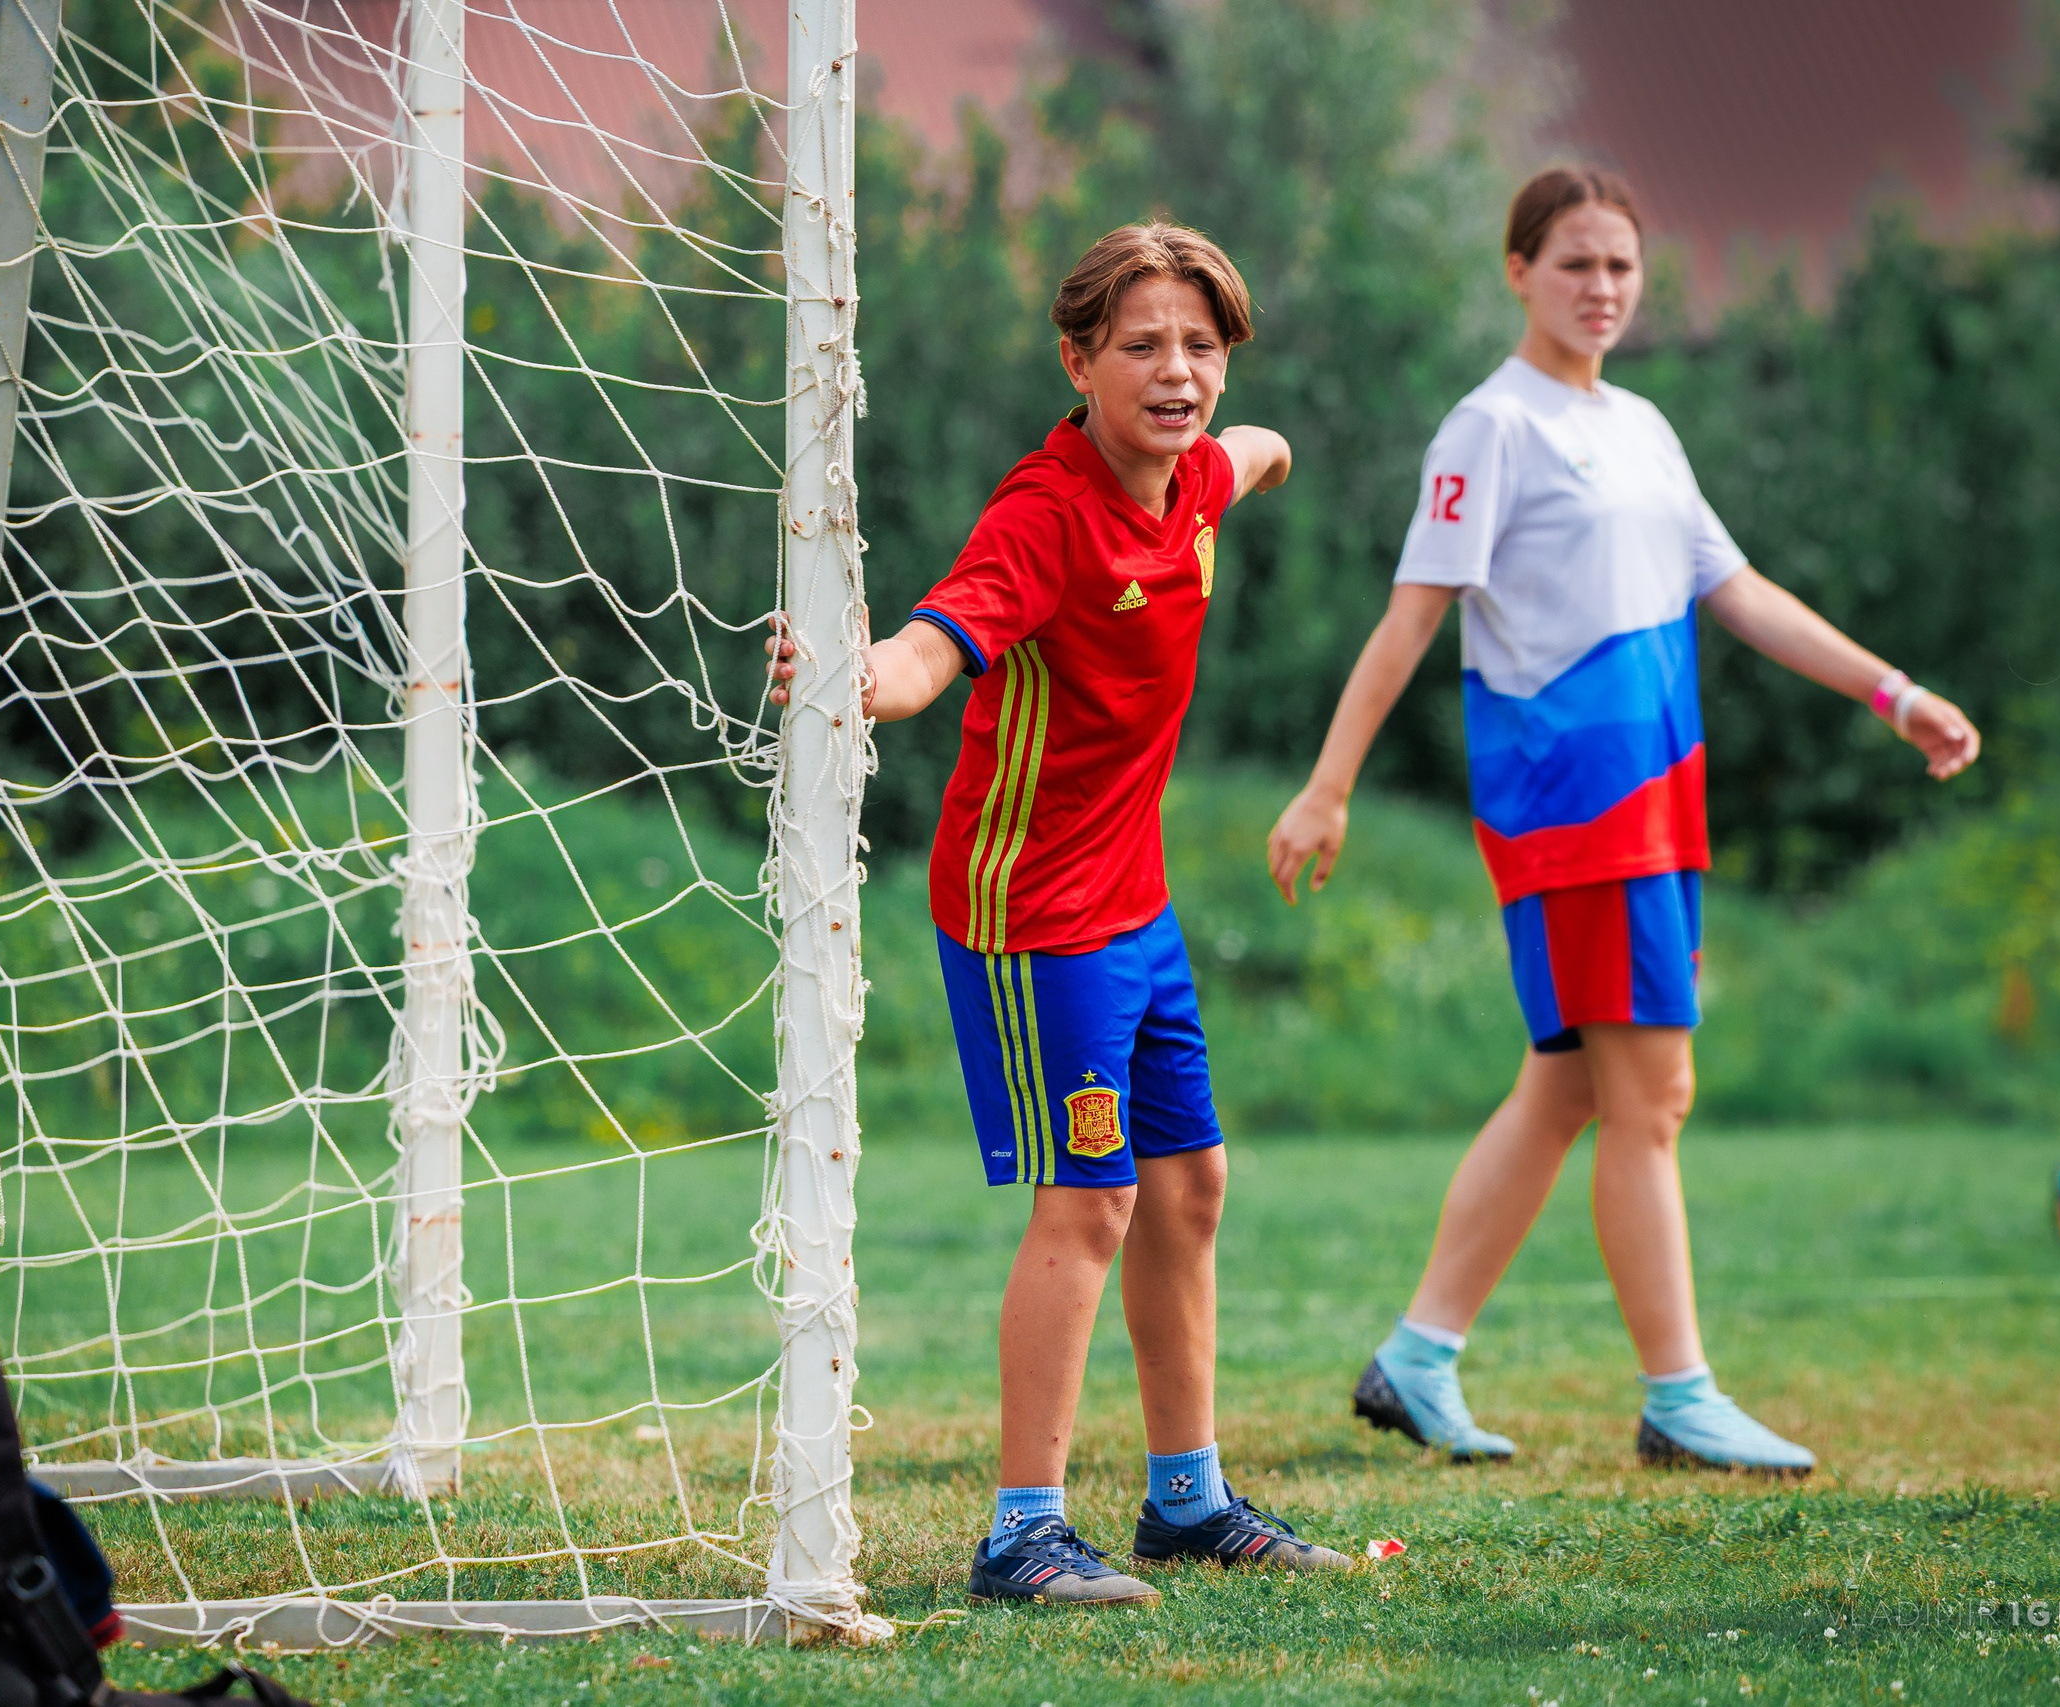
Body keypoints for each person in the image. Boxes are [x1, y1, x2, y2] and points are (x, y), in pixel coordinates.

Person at [1266, 167, 1980, 1476]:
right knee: (1652, 1094)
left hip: (1663, 797)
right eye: (1576, 263)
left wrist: (1895, 691)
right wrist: (1328, 785)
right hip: (1575, 806)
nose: (1602, 289)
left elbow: (1741, 590)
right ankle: (1678, 1396)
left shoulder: (1646, 426)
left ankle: (1418, 1359)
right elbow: (1410, 619)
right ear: (1518, 270)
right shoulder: (1490, 427)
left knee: (1573, 1088)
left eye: (1623, 268)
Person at [771, 222, 1348, 1604]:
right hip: (1033, 914)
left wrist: (1261, 449)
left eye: (1200, 347)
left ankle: (1188, 1503)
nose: (1177, 372)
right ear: (1078, 359)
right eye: (1142, 345)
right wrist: (856, 674)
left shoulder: (1198, 475)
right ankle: (1022, 1531)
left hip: (1134, 902)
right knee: (1091, 1199)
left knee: (1190, 1188)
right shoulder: (1046, 515)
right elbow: (933, 645)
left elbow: (1247, 455)